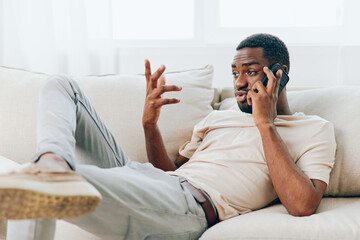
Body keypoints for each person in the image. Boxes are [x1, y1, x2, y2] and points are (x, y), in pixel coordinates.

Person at [0, 33, 336, 239]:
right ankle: (53, 162)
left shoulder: (313, 129)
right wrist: (150, 127)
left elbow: (302, 205)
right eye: (235, 73)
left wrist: (266, 123)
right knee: (61, 84)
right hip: (151, 181)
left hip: (190, 208)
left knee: (41, 183)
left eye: (249, 71)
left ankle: (52, 175)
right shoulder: (216, 119)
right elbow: (170, 174)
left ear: (280, 74)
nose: (238, 83)